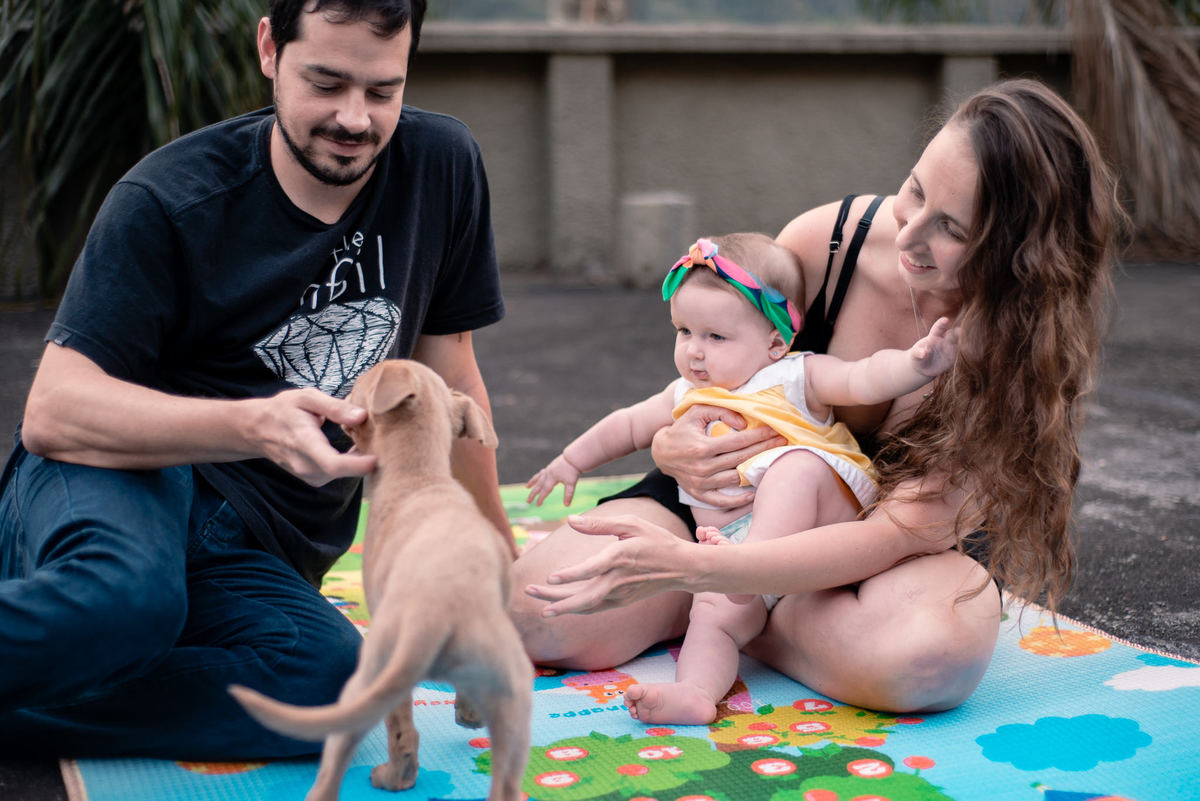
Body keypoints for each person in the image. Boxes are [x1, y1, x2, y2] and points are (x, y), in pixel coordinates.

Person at [512, 78, 1125, 715]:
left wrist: (700, 572)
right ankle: (731, 612)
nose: (909, 234)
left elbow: (894, 535)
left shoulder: (1017, 348)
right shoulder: (828, 244)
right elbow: (725, 364)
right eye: (914, 190)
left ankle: (728, 619)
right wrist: (672, 445)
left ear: (1019, 254)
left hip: (886, 557)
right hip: (724, 509)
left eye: (950, 227)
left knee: (928, 659)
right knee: (535, 610)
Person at [0, 0, 509, 759]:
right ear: (270, 48)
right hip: (128, 473)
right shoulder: (168, 197)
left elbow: (451, 371)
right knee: (127, 599)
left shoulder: (441, 165)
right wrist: (251, 424)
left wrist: (497, 551)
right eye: (326, 83)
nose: (355, 119)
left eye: (381, 91)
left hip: (253, 551)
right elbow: (52, 411)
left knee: (336, 688)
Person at [525, 233, 957, 723]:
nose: (694, 352)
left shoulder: (797, 376)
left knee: (793, 468)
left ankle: (749, 572)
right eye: (683, 331)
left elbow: (863, 378)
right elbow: (625, 425)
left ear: (775, 341)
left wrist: (914, 364)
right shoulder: (683, 393)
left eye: (715, 337)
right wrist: (571, 460)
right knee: (712, 618)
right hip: (730, 548)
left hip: (818, 520)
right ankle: (695, 693)